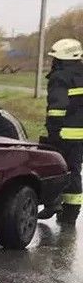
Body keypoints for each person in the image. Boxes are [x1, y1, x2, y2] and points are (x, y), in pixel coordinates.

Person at [43, 38, 83, 225]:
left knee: (54, 169)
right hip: (80, 135)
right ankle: (71, 213)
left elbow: (57, 108)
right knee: (75, 171)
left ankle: (53, 204)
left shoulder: (60, 77)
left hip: (63, 133)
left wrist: (53, 130)